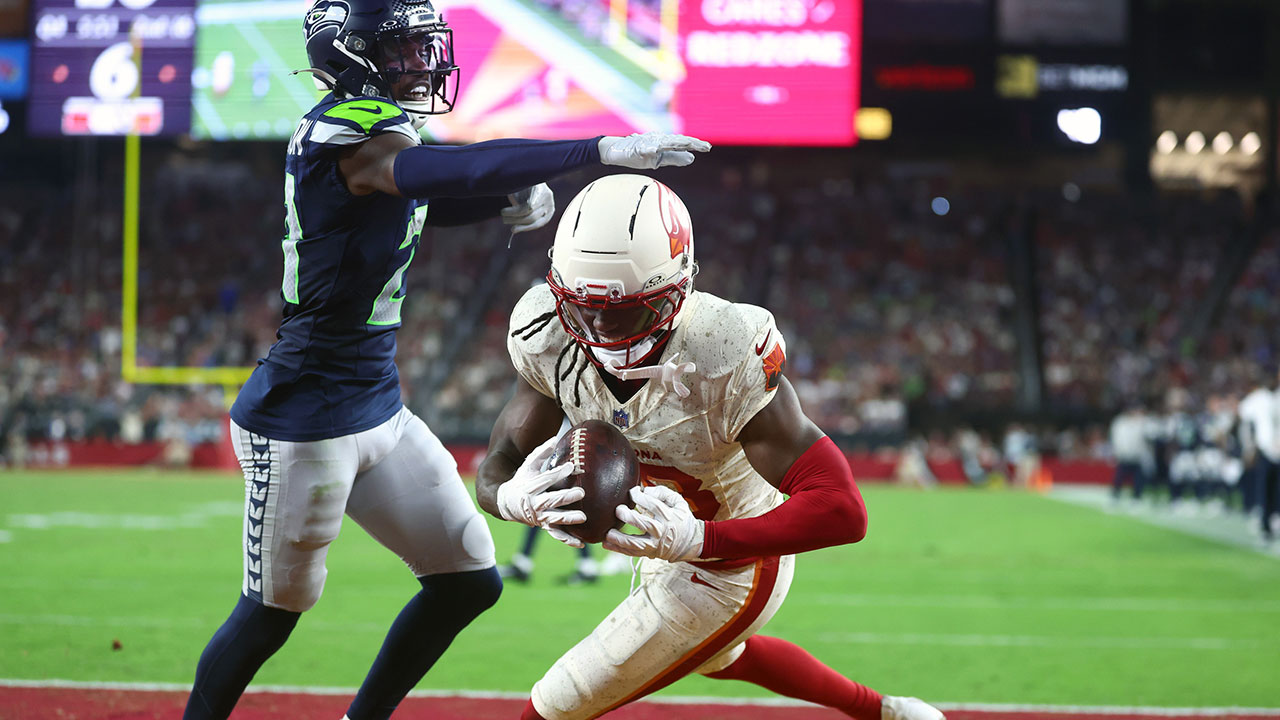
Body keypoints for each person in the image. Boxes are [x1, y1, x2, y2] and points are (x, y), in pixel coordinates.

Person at [181, 1, 711, 717]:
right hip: (302, 412)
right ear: (352, 54)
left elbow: (424, 195)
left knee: (468, 581)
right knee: (275, 609)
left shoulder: (380, 137)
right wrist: (597, 148)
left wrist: (501, 199)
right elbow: (447, 169)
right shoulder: (347, 131)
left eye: (422, 46)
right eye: (401, 49)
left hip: (374, 401)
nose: (422, 63)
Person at [475, 174, 945, 720]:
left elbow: (843, 509)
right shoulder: (548, 334)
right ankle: (886, 712)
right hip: (668, 539)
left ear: (676, 291)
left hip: (738, 562)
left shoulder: (722, 349)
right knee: (721, 658)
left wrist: (703, 539)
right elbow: (498, 464)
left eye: (626, 309)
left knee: (558, 702)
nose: (601, 327)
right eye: (583, 306)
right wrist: (510, 499)